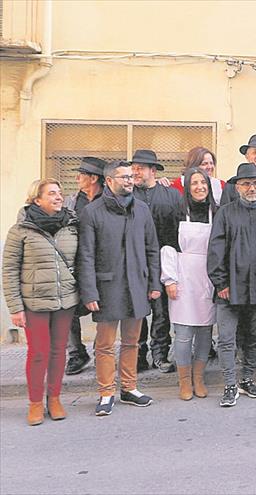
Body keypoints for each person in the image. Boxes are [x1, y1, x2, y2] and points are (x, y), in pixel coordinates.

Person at [77, 160, 161, 416]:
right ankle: (105, 393)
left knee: (132, 342)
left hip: (137, 284)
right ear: (109, 181)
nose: (129, 180)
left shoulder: (142, 209)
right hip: (107, 287)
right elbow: (86, 255)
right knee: (104, 344)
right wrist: (89, 292)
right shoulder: (92, 212)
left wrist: (154, 282)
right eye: (123, 177)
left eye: (131, 176)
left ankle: (129, 387)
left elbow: (152, 249)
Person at [3, 179, 79, 425]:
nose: (59, 197)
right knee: (38, 353)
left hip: (65, 300)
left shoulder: (71, 225)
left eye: (59, 192)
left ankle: (54, 398)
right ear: (37, 199)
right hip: (33, 302)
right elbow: (10, 269)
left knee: (59, 352)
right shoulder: (21, 230)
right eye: (52, 193)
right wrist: (15, 307)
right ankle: (35, 403)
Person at [207, 163, 256, 407]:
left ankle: (247, 378)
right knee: (226, 339)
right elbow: (215, 251)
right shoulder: (225, 213)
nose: (252, 187)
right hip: (229, 288)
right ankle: (229, 384)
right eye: (246, 183)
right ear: (237, 187)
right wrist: (220, 283)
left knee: (255, 337)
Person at [160, 168, 217, 400]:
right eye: (194, 183)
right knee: (183, 333)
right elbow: (168, 246)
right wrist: (169, 279)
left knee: (205, 332)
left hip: (208, 276)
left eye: (203, 183)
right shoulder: (176, 213)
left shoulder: (218, 212)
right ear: (186, 187)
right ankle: (184, 381)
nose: (199, 187)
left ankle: (199, 378)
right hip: (182, 276)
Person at [130, 149, 183, 374]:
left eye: (140, 169)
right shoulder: (126, 195)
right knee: (138, 311)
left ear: (153, 170)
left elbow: (180, 227)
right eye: (133, 169)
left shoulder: (171, 195)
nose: (135, 173)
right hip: (135, 261)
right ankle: (139, 356)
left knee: (162, 312)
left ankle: (160, 354)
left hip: (163, 260)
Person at [63, 157, 106, 376]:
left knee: (104, 311)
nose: (77, 178)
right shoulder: (71, 202)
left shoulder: (109, 199)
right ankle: (77, 354)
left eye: (81, 174)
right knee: (69, 308)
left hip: (102, 265)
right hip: (76, 264)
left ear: (94, 178)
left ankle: (101, 352)